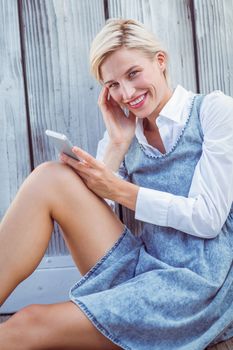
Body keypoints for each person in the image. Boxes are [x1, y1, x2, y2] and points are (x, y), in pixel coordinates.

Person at [0, 18, 233, 350]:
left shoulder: (213, 111)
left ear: (160, 61)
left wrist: (120, 189)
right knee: (50, 179)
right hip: (144, 270)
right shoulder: (126, 134)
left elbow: (209, 218)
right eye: (113, 85)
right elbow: (94, 217)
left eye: (133, 74)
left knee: (27, 323)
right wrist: (117, 144)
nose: (126, 94)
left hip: (197, 289)